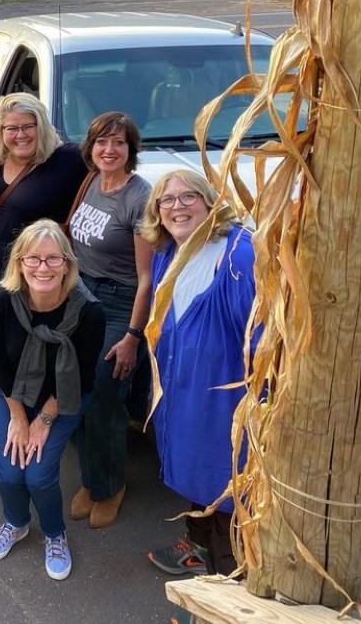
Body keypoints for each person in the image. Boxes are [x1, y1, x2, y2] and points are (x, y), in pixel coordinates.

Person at [140, 170, 257, 578]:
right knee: (192, 468)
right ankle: (196, 544)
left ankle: (232, 578)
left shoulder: (238, 256)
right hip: (182, 389)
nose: (177, 207)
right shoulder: (168, 253)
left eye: (188, 197)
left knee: (227, 479)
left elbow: (260, 335)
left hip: (225, 398)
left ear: (210, 202)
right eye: (166, 201)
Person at [0, 220, 105, 581]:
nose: (43, 268)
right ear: (19, 263)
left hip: (62, 397)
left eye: (53, 259)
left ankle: (54, 533)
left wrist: (44, 420)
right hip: (10, 395)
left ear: (67, 264)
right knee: (8, 470)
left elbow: (80, 375)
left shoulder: (89, 312)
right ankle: (16, 524)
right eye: (33, 259)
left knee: (37, 475)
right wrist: (19, 419)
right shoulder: (0, 301)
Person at [0, 93, 88, 468]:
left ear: (43, 126)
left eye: (28, 126)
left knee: (23, 345)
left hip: (32, 272)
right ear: (0, 130)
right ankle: (0, 416)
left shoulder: (66, 159)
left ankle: (23, 424)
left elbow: (110, 163)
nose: (20, 135)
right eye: (11, 128)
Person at [68, 112, 153, 529]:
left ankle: (110, 485)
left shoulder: (139, 197)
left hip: (120, 303)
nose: (109, 149)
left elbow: (146, 278)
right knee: (78, 390)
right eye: (102, 141)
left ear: (130, 150)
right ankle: (92, 479)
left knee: (104, 396)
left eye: (118, 142)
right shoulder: (91, 183)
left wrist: (134, 336)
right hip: (81, 297)